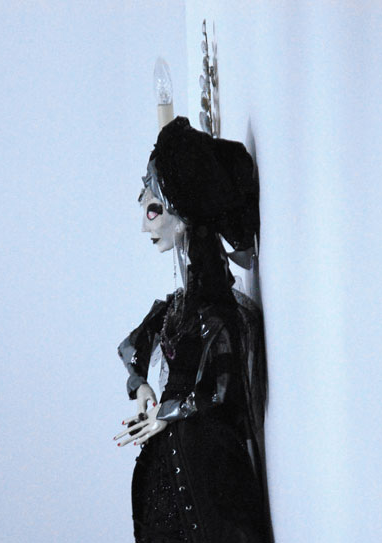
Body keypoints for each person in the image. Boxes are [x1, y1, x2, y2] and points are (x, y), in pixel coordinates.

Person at [114, 117, 272, 543]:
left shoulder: (214, 310)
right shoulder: (183, 305)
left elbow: (220, 389)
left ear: (182, 217)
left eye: (153, 209)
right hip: (178, 474)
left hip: (206, 480)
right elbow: (136, 342)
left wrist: (166, 413)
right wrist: (141, 386)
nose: (145, 224)